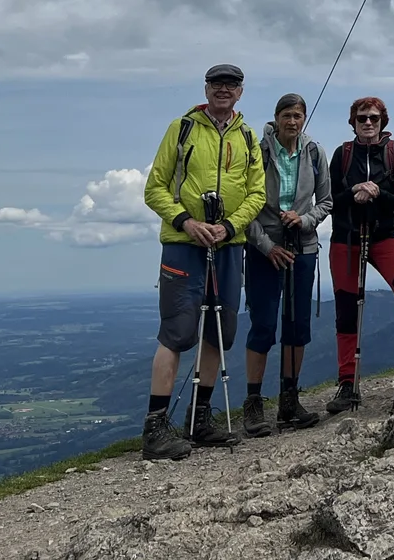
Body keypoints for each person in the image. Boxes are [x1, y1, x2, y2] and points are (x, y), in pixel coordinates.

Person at [138, 63, 266, 461]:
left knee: (220, 330)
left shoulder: (247, 136)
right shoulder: (182, 129)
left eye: (231, 84)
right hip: (183, 243)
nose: (223, 90)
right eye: (217, 83)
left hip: (228, 245)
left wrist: (229, 226)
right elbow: (154, 188)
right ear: (206, 88)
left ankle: (199, 418)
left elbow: (257, 193)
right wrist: (187, 222)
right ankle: (155, 427)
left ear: (241, 91)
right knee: (176, 331)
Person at [325, 97, 394, 411]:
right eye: (361, 118)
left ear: (383, 121)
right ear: (353, 122)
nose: (368, 123)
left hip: (383, 237)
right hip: (346, 239)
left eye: (373, 118)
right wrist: (355, 193)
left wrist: (377, 192)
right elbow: (331, 199)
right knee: (346, 309)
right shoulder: (342, 156)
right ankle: (347, 383)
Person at [243, 92, 331, 433]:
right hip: (265, 248)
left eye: (297, 116)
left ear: (303, 118)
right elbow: (245, 207)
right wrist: (267, 246)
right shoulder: (258, 151)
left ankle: (289, 400)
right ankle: (253, 403)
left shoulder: (314, 152)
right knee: (263, 324)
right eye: (286, 116)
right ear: (276, 118)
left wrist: (305, 220)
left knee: (297, 326)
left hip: (302, 245)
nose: (292, 122)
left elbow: (325, 201)